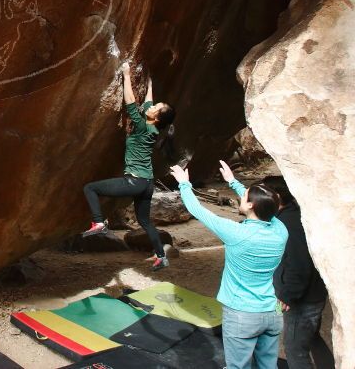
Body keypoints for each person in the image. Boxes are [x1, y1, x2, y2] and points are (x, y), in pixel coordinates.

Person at [170, 161, 287, 369]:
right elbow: (265, 205)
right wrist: (233, 182)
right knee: (269, 366)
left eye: (244, 197)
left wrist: (184, 184)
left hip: (242, 313)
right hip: (273, 311)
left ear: (251, 205)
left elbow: (199, 211)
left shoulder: (237, 234)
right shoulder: (280, 230)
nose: (241, 198)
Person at [81, 61, 176, 271]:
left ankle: (98, 222)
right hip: (147, 183)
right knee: (145, 222)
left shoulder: (142, 125)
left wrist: (125, 74)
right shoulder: (153, 128)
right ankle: (161, 256)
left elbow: (130, 102)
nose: (154, 105)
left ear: (156, 116)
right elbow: (149, 104)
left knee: (90, 188)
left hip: (134, 181)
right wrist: (150, 85)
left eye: (158, 107)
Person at [266, 175, 335, 369]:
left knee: (295, 349)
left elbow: (300, 265)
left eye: (262, 194)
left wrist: (287, 296)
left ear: (276, 197)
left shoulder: (289, 224)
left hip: (301, 301)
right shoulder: (292, 216)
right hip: (310, 296)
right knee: (311, 338)